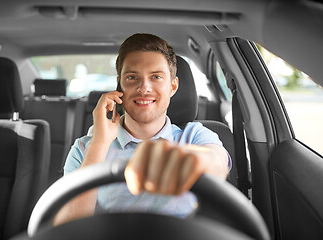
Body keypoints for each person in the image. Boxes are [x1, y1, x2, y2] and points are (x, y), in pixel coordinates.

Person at [53, 33, 230, 226]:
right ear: (119, 84)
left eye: (156, 77)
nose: (144, 87)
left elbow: (217, 164)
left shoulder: (195, 135)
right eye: (132, 77)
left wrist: (188, 160)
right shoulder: (85, 148)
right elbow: (68, 228)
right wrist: (99, 143)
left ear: (173, 86)